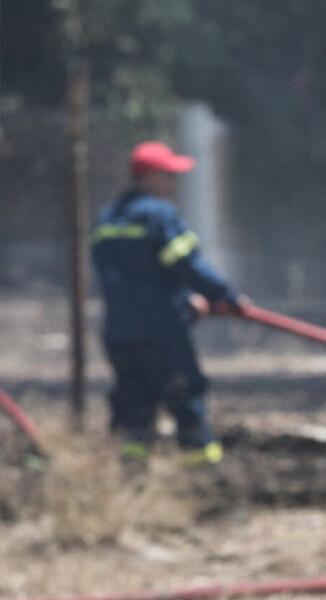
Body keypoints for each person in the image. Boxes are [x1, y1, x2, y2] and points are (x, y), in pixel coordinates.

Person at [91, 141, 246, 465]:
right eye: (168, 175)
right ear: (147, 176)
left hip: (120, 337)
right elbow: (186, 265)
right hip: (161, 335)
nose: (174, 183)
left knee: (133, 415)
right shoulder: (159, 214)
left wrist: (184, 298)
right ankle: (210, 493)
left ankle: (131, 492)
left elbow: (135, 277)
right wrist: (226, 296)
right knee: (186, 406)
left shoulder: (106, 219)